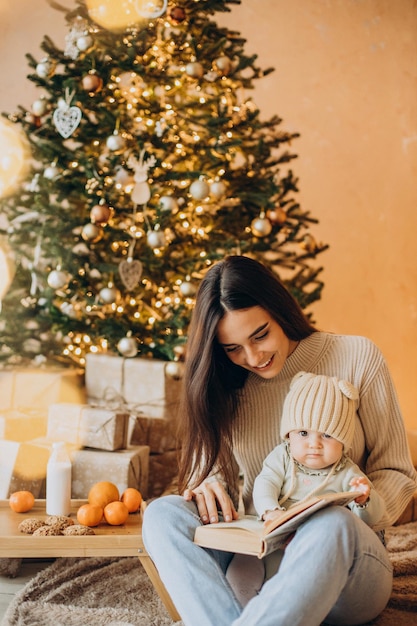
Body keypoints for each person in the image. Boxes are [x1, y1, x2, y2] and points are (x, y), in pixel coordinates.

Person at [143, 255, 417, 626]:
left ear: (280, 310)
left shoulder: (357, 356)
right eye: (233, 348)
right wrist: (204, 482)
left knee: (328, 521)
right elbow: (205, 474)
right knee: (162, 514)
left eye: (260, 335)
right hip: (257, 561)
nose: (253, 357)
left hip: (346, 562)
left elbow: (396, 470)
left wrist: (362, 504)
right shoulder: (225, 384)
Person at [253, 370, 387, 528]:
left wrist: (363, 500)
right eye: (303, 433)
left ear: (343, 442)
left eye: (327, 435)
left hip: (324, 532)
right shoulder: (282, 457)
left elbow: (372, 519)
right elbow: (265, 484)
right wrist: (271, 511)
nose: (314, 444)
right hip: (281, 526)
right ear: (289, 436)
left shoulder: (347, 472)